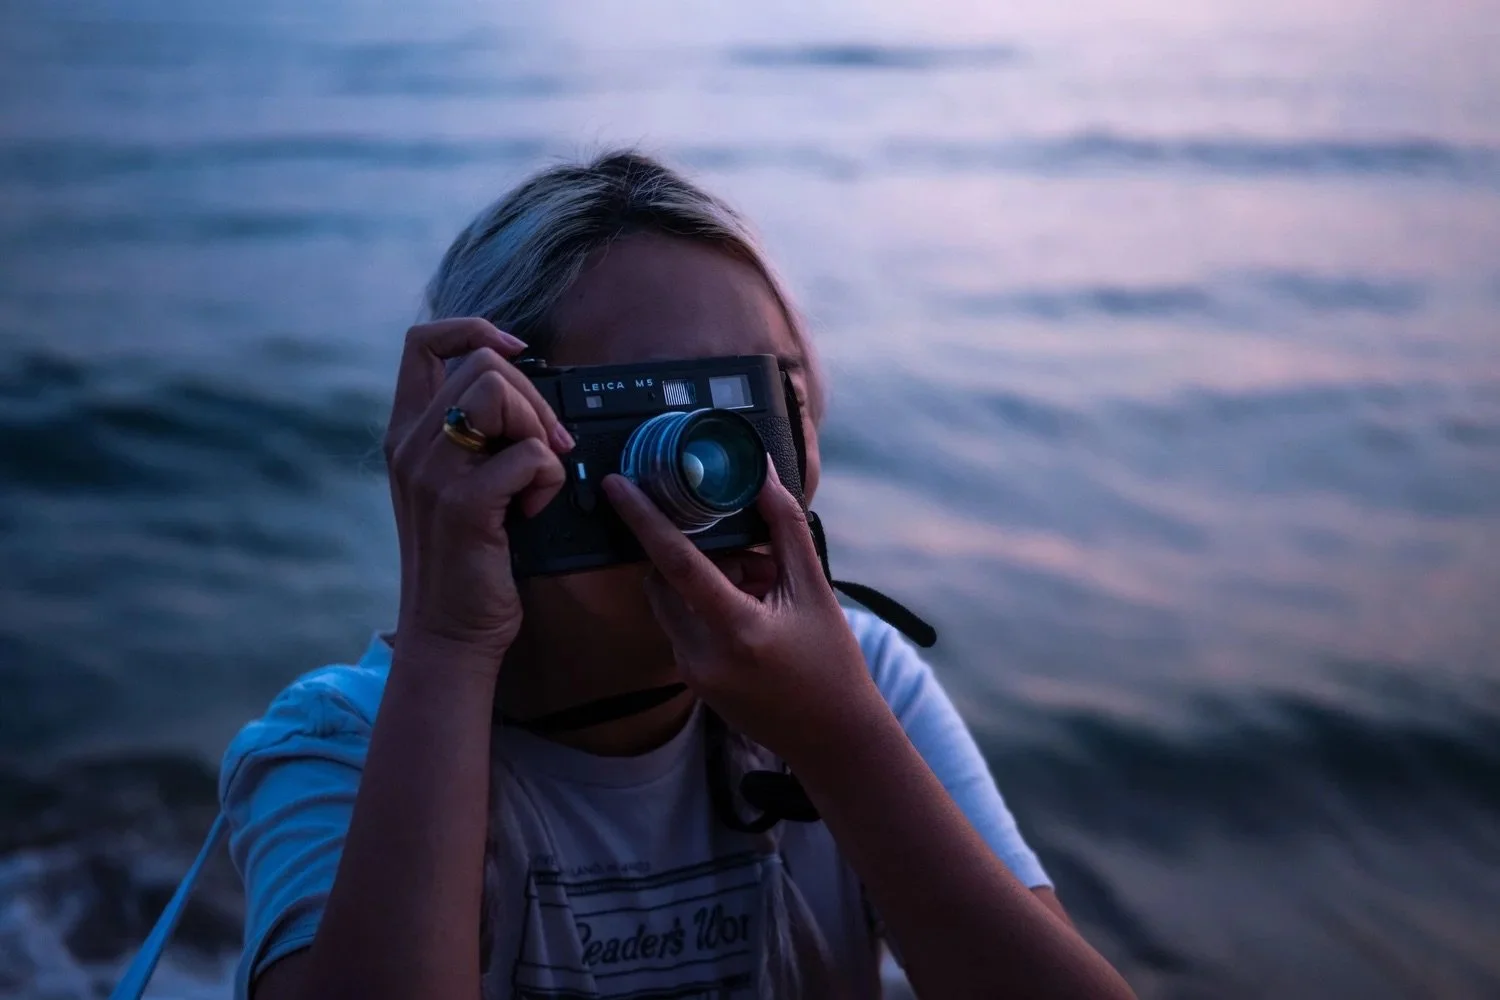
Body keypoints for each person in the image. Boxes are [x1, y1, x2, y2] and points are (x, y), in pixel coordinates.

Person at [219, 150, 1135, 1000]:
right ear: (490, 433)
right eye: (658, 408)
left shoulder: (862, 684)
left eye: (763, 402)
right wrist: (448, 642)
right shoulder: (342, 745)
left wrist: (839, 741)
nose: (724, 467)